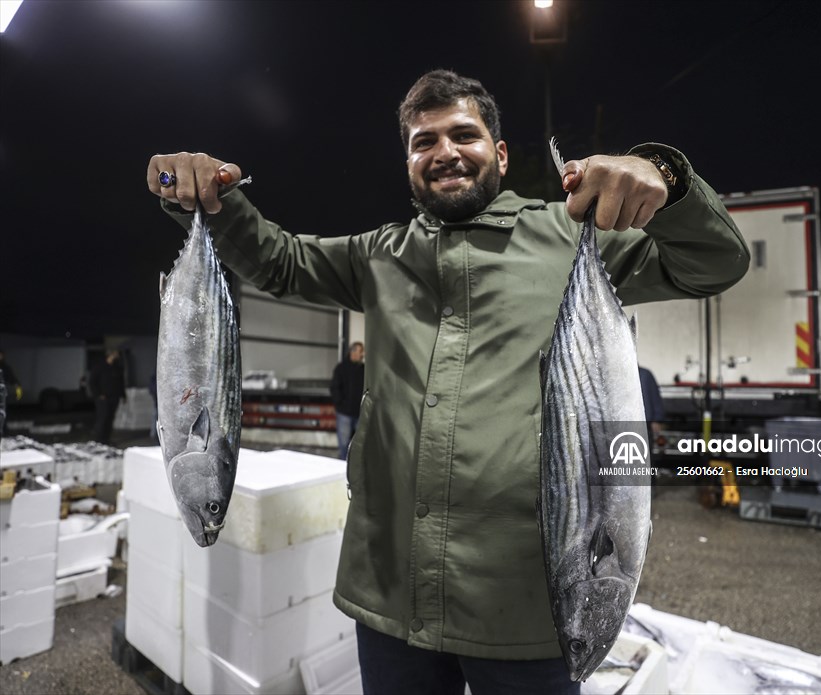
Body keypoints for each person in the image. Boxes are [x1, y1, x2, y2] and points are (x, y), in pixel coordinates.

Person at [147, 69, 749, 694]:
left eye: (464, 134)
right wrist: (205, 194)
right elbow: (276, 260)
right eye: (423, 142)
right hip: (389, 603)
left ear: (501, 153)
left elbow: (713, 264)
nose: (444, 153)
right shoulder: (378, 255)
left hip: (529, 610)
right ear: (408, 161)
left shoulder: (571, 237)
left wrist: (666, 180)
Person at [330, 341, 365, 458]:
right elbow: (335, 388)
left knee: (358, 445)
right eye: (360, 351)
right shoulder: (341, 368)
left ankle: (353, 472)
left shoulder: (363, 369)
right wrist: (340, 403)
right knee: (344, 444)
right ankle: (342, 469)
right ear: (353, 352)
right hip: (344, 413)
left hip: (359, 413)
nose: (362, 355)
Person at [89, 349, 126, 445]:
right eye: (116, 353)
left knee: (110, 418)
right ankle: (99, 440)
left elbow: (120, 382)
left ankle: (106, 439)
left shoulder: (117, 367)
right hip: (103, 399)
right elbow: (92, 382)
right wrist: (98, 394)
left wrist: (123, 395)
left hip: (114, 397)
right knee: (103, 418)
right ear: (111, 354)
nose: (118, 355)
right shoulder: (100, 367)